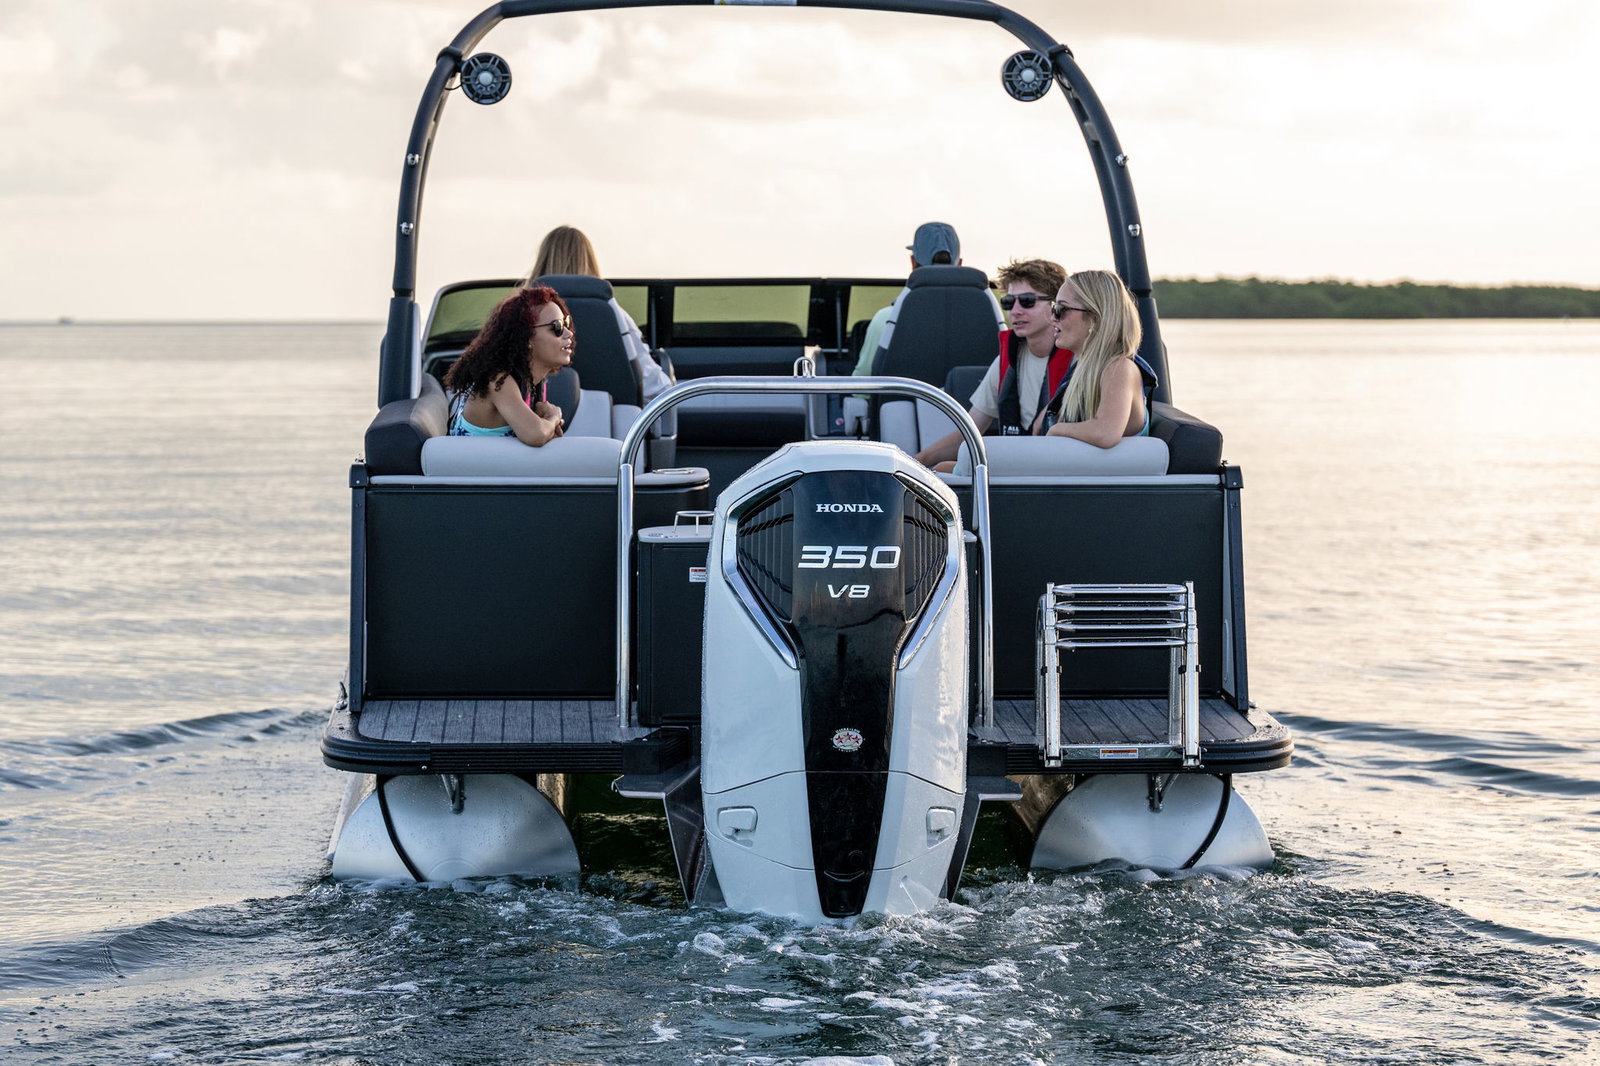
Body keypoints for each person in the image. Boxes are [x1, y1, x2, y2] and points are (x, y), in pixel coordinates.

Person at [912, 257, 1068, 469]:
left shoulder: (1079, 359)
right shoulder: (1007, 360)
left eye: (1028, 301)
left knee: (943, 470)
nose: (1015, 311)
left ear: (1056, 306)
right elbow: (968, 432)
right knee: (937, 469)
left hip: (1060, 467)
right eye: (1008, 302)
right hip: (1021, 465)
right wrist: (915, 462)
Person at [526, 225, 673, 401]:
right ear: (590, 262)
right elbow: (657, 388)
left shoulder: (514, 316)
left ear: (542, 262)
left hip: (529, 421)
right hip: (611, 426)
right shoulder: (615, 315)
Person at [851, 221, 1004, 379]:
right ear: (960, 264)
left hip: (902, 403)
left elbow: (864, 382)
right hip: (969, 404)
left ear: (913, 262)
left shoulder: (885, 319)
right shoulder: (987, 321)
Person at [443, 285, 571, 446]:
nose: (568, 333)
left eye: (566, 323)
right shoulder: (498, 380)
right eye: (557, 327)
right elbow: (535, 435)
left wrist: (548, 426)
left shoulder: (533, 383)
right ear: (526, 337)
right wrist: (554, 417)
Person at [1040, 269, 1155, 446]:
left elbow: (1106, 432)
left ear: (1095, 318)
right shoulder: (1084, 369)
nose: (1052, 318)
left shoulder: (1119, 368)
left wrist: (1056, 429)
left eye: (1060, 309)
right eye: (1054, 308)